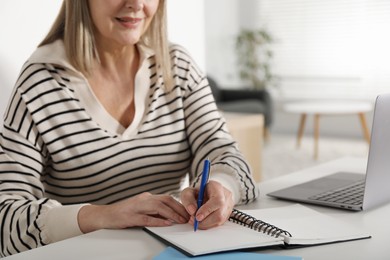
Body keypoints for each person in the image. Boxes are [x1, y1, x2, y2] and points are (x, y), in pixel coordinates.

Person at [0, 0, 258, 256]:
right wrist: (102, 215)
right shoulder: (40, 84)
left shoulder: (176, 65)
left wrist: (221, 186)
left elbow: (226, 154)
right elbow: (6, 220)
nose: (136, 4)